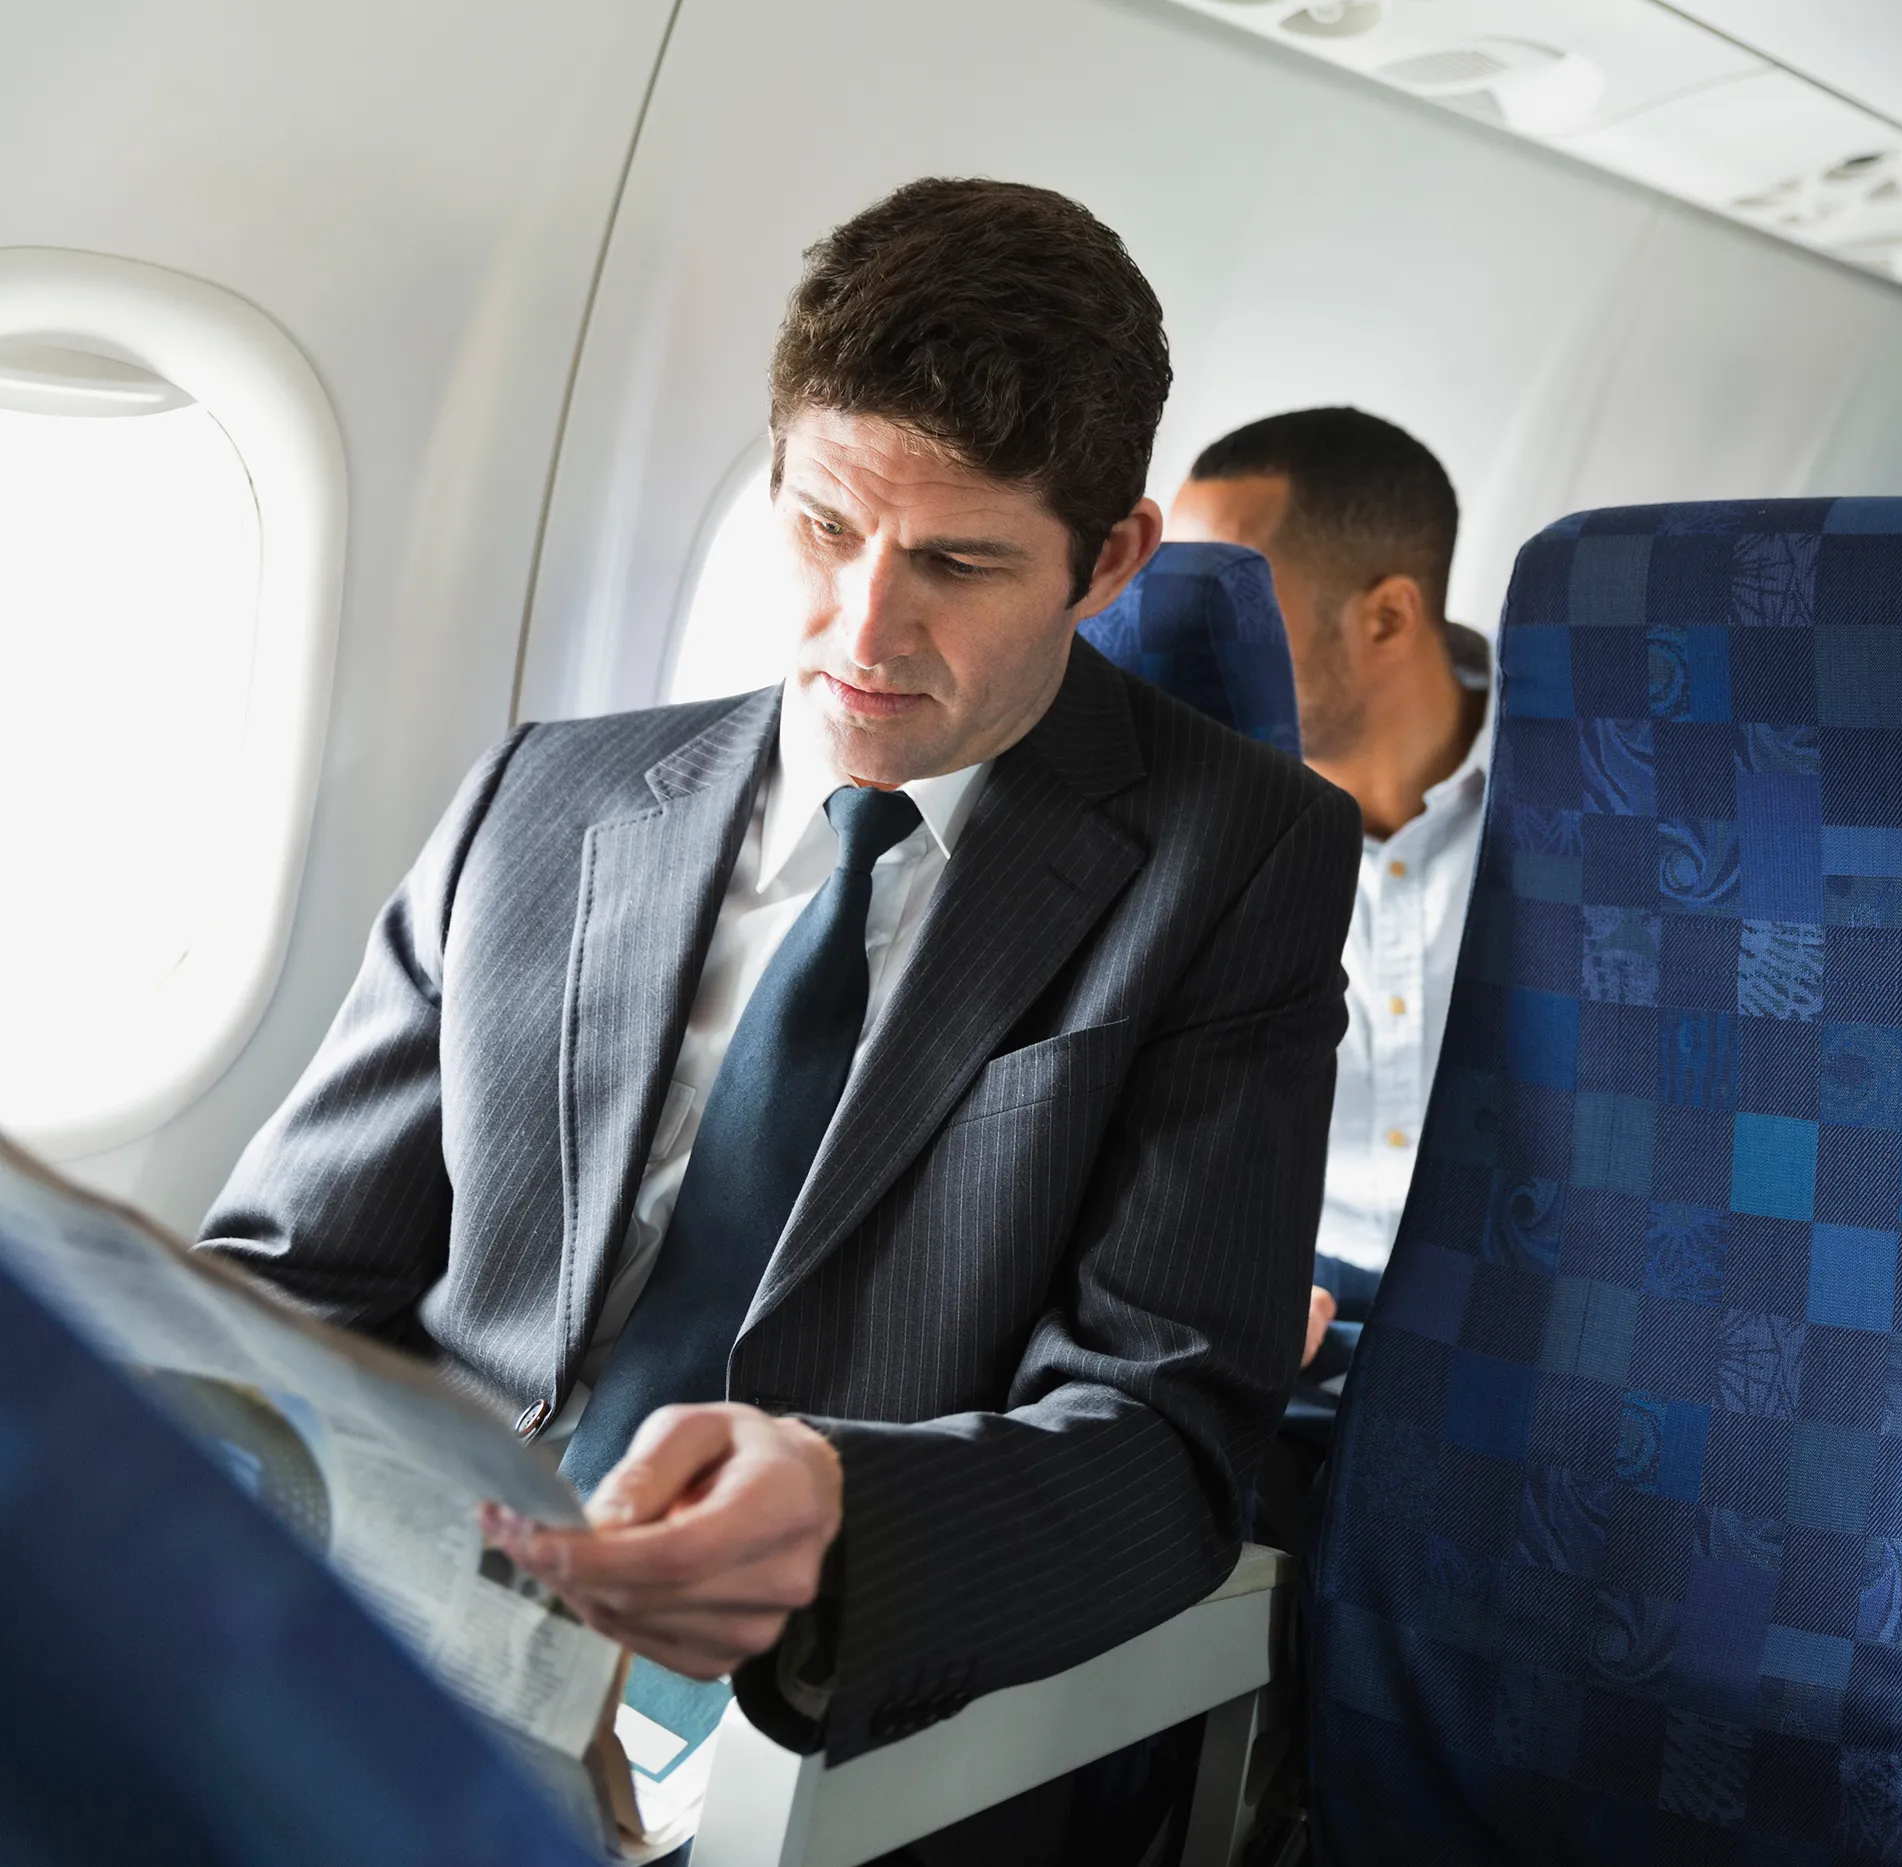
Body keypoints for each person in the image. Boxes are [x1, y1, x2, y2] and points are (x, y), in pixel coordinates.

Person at [199, 179, 1361, 1852]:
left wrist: (842, 1516)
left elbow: (1164, 1445)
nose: (864, 631)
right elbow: (286, 1284)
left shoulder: (1233, 858)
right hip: (398, 1609)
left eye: (959, 561)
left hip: (811, 1714)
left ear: (1108, 560)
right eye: (824, 525)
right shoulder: (546, 797)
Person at [1164, 409, 1486, 1549]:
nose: (1192, 640)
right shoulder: (1197, 825)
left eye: (1233, 603)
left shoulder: (1612, 808)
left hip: (1516, 1332)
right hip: (1278, 1324)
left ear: (1388, 614)